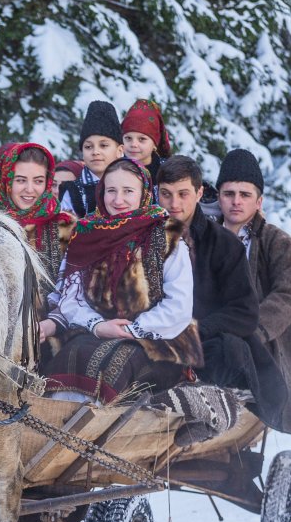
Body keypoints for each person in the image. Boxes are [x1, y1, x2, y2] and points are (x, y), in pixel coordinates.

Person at [40, 158, 200, 403]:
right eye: (111, 191)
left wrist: (131, 330)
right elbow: (71, 298)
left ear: (144, 194)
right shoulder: (86, 234)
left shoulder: (167, 237)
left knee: (110, 363)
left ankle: (86, 431)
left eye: (128, 191)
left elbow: (178, 306)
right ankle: (52, 422)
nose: (118, 200)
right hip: (95, 333)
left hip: (157, 340)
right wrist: (97, 325)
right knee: (67, 355)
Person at [215, 149, 291, 444]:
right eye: (229, 193)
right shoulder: (203, 238)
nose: (236, 201)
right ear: (219, 197)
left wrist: (252, 329)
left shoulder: (277, 243)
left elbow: (289, 296)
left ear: (259, 200)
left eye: (245, 194)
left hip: (265, 339)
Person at [156, 155, 287, 420]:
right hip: (154, 333)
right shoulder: (146, 237)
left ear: (199, 193)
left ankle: (212, 407)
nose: (174, 204)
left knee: (226, 352)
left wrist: (197, 329)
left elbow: (244, 312)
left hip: (204, 339)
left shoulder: (224, 244)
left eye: (183, 194)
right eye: (166, 194)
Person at [0, 143, 75, 274]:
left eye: (38, 181)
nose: (30, 189)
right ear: (4, 181)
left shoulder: (66, 227)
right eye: (20, 180)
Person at [59, 101, 124, 216]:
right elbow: (65, 229)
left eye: (103, 145)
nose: (95, 152)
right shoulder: (74, 191)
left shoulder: (132, 183)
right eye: (88, 147)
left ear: (119, 151)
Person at [121, 98, 172, 184]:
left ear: (155, 144)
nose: (133, 144)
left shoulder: (168, 173)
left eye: (142, 139)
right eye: (128, 138)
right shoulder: (113, 170)